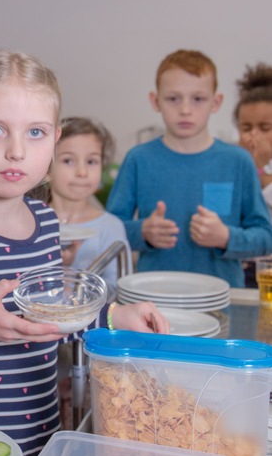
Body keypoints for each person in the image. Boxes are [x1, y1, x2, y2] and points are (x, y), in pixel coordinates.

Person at [0, 50, 169, 456]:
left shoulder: (45, 221)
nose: (16, 151)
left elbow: (50, 314)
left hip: (43, 437)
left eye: (35, 133)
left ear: (55, 139)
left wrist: (112, 317)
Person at [106, 49, 272, 287]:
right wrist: (142, 232)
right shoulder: (138, 159)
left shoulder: (238, 161)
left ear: (216, 102)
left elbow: (265, 237)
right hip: (153, 298)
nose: (185, 109)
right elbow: (108, 231)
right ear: (156, 101)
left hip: (222, 301)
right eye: (173, 98)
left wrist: (226, 237)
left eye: (198, 99)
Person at [48, 117, 133, 298]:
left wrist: (72, 281)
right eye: (68, 161)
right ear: (46, 166)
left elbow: (119, 290)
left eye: (91, 162)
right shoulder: (29, 222)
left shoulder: (110, 226)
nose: (82, 172)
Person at [234, 63, 272, 287]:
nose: (253, 136)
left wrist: (261, 170)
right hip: (241, 270)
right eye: (246, 128)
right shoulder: (233, 161)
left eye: (265, 128)